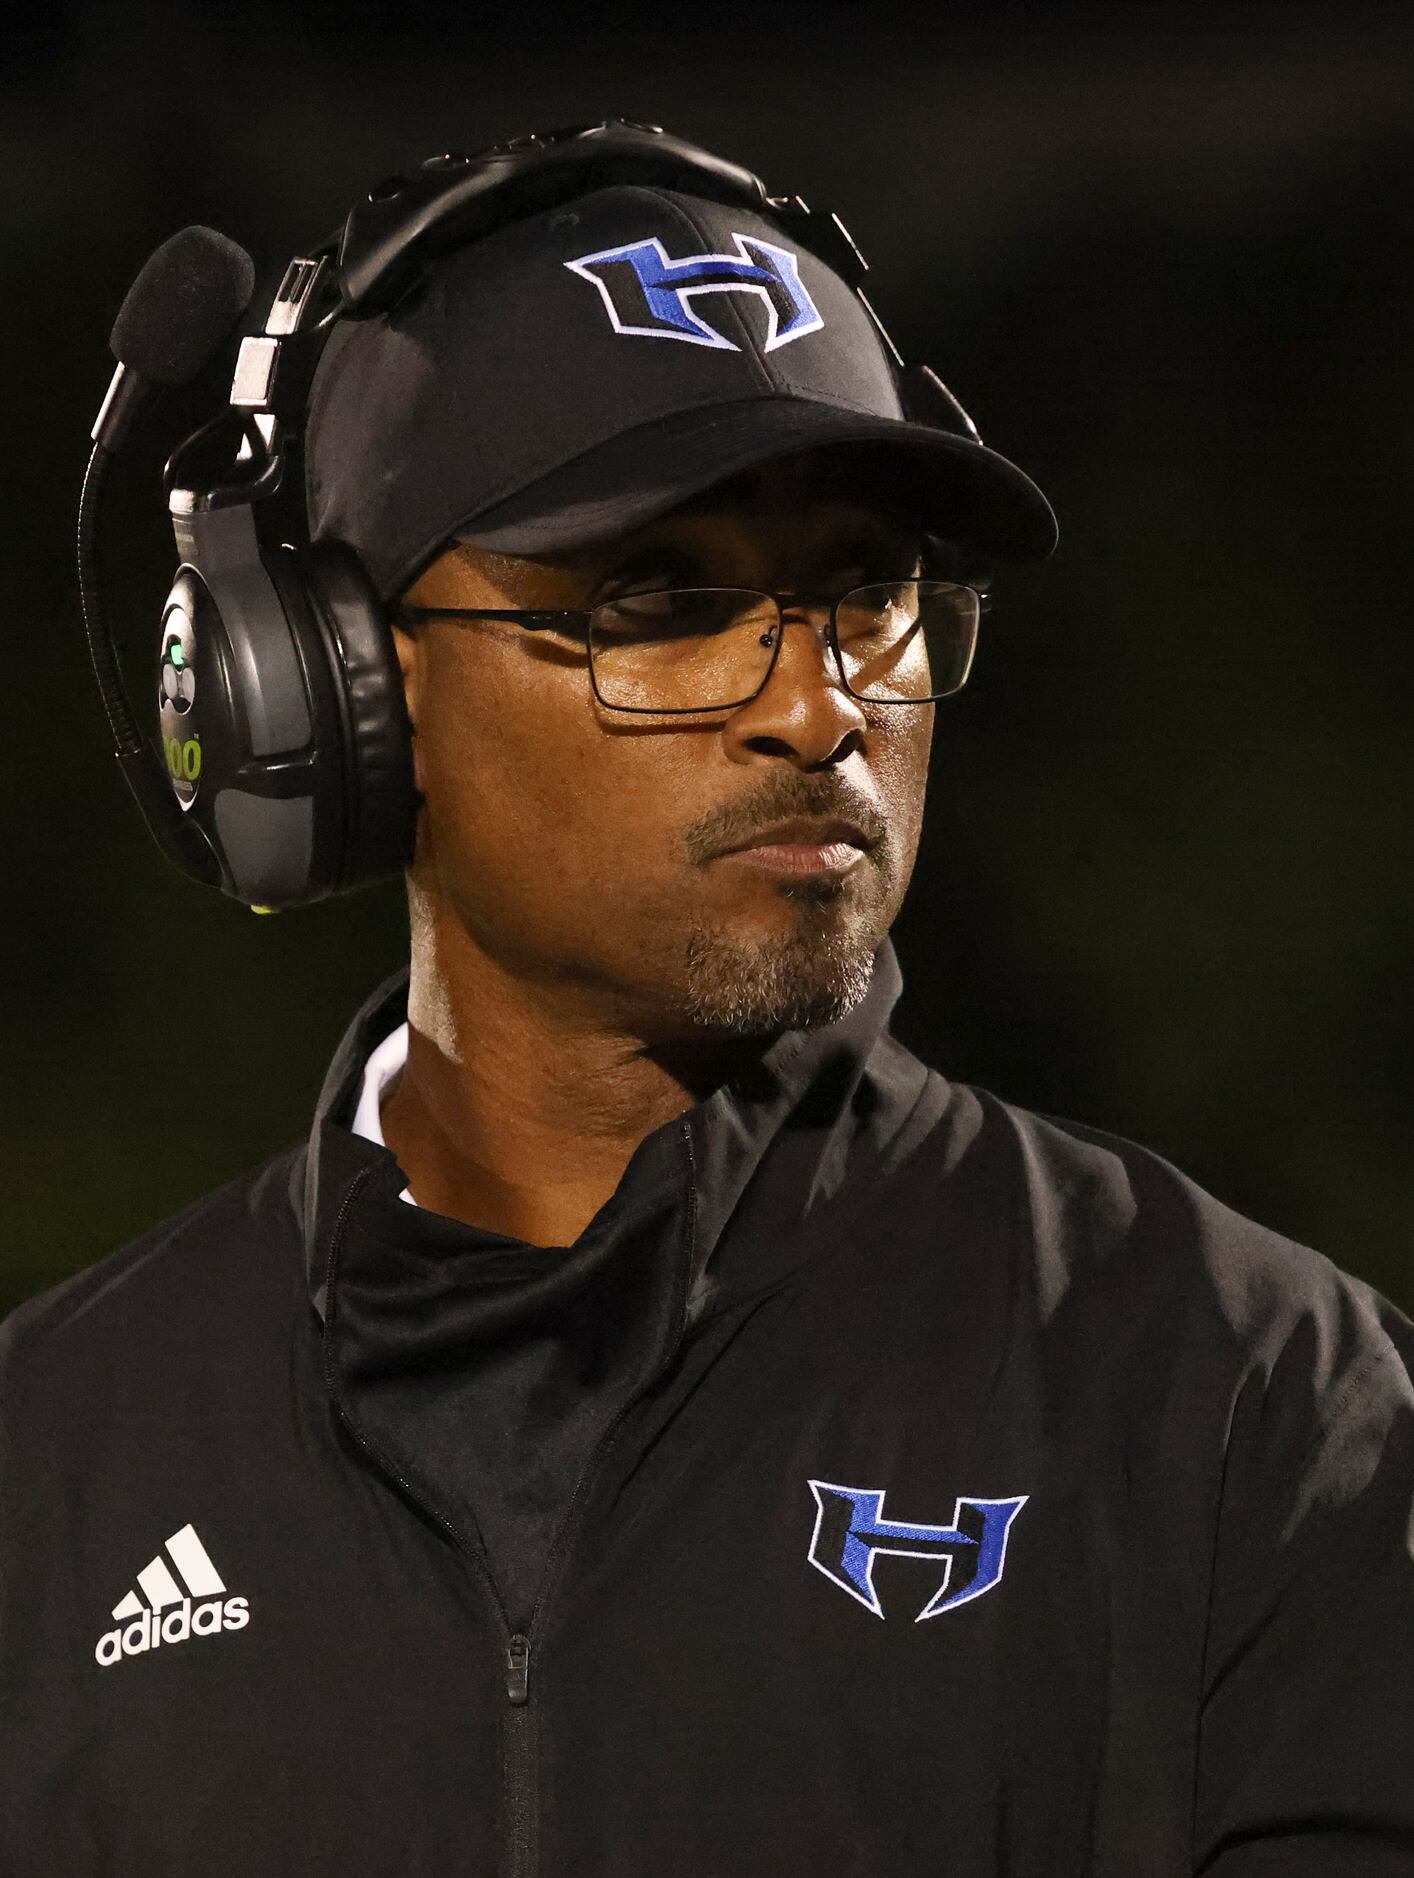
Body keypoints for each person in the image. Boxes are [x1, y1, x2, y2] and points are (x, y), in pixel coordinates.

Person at [3, 129, 1412, 1878]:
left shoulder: (1256, 1403)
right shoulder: (44, 1470)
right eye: (661, 601)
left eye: (867, 592)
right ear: (334, 691)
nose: (815, 704)